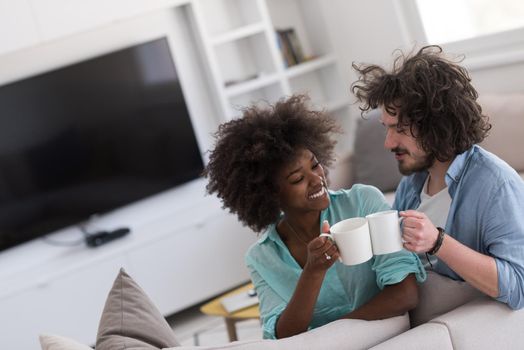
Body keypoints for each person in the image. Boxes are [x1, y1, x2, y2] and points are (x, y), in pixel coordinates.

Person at [204, 94, 426, 339]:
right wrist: (313, 273)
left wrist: (329, 336)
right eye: (297, 179)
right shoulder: (262, 257)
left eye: (315, 164)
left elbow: (406, 294)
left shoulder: (362, 202)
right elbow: (282, 336)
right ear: (270, 194)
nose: (317, 179)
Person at [351, 45, 524, 323]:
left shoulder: (495, 185)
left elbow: (518, 286)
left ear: (436, 123)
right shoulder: (411, 184)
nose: (388, 143)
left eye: (399, 128)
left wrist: (438, 242)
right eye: (387, 128)